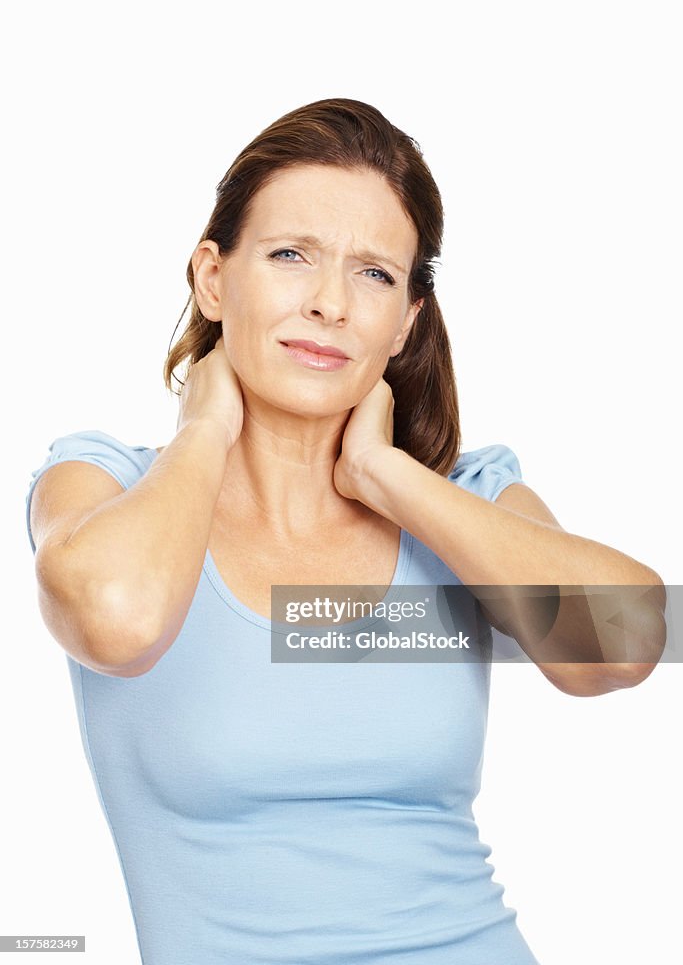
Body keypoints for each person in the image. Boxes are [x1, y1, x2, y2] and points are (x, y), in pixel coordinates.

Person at [25, 97, 666, 965]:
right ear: (212, 278)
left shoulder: (462, 500)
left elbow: (625, 643)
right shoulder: (106, 485)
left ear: (405, 319)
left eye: (373, 274)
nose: (329, 303)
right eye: (291, 256)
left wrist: (386, 476)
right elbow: (118, 620)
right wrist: (204, 430)